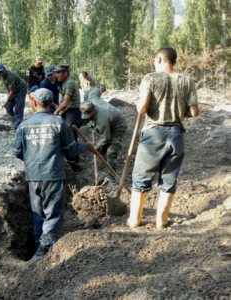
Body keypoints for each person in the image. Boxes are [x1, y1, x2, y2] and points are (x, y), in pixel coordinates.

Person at [14, 88, 95, 260]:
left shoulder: (23, 125)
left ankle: (40, 244)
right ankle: (46, 248)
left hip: (33, 175)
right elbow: (70, 150)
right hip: (53, 174)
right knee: (53, 212)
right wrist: (88, 147)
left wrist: (32, 160)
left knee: (38, 212)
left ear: (34, 102)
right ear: (51, 103)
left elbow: (18, 152)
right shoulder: (58, 123)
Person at [127, 47, 199, 230]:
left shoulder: (150, 78)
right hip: (176, 135)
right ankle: (162, 222)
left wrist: (138, 104)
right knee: (168, 180)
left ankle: (135, 221)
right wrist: (177, 111)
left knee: (141, 178)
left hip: (154, 134)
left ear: (159, 59)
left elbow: (142, 109)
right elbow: (194, 112)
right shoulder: (187, 81)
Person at [80, 101, 127, 188]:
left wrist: (96, 148)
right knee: (101, 150)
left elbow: (106, 138)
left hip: (118, 126)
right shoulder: (91, 106)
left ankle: (113, 179)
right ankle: (108, 170)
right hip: (109, 123)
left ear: (94, 110)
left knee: (110, 152)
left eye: (90, 115)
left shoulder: (102, 120)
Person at [54, 64, 83, 172]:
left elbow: (66, 102)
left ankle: (74, 165)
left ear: (65, 73)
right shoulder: (64, 83)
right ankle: (67, 162)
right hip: (68, 112)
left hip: (73, 113)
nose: (57, 75)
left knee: (71, 139)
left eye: (59, 73)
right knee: (65, 137)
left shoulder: (69, 83)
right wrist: (60, 112)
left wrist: (57, 111)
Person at [0, 63, 27, 130]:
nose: (1, 73)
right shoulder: (0, 73)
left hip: (20, 89)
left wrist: (5, 103)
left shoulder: (11, 76)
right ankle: (14, 120)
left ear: (5, 69)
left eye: (2, 71)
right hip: (13, 90)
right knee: (8, 108)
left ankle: (17, 127)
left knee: (18, 108)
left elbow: (12, 91)